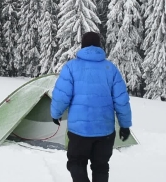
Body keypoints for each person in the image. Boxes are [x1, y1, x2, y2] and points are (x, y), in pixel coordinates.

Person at [50, 31, 132, 182]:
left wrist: (56, 114)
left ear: (83, 46)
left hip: (79, 132)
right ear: (99, 46)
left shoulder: (71, 67)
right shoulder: (110, 69)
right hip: (105, 131)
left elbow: (61, 95)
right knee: (101, 166)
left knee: (76, 163)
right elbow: (121, 100)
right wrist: (125, 125)